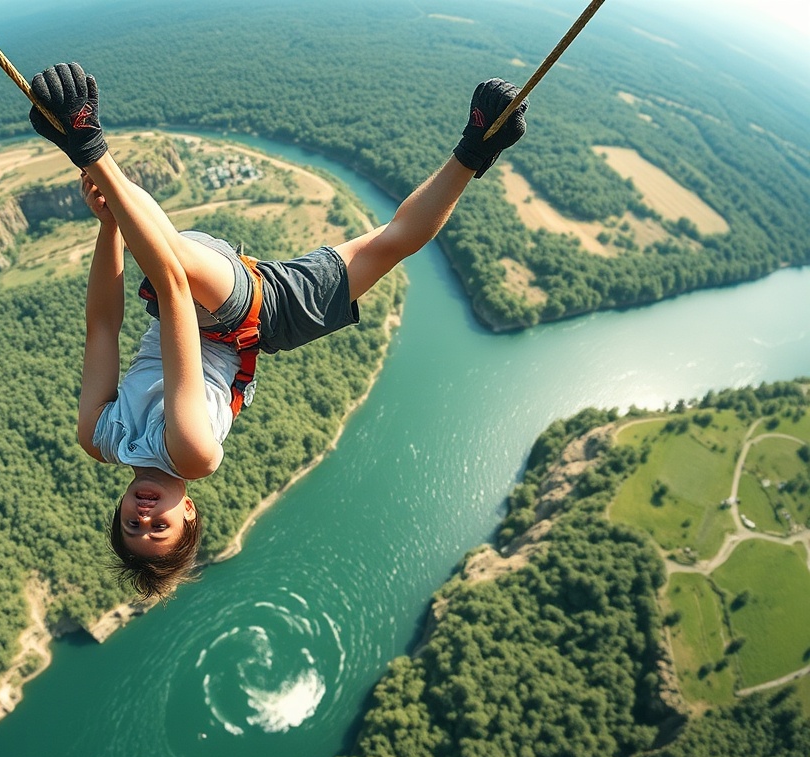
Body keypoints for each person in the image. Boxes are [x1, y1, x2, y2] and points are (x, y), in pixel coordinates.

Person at [28, 62, 528, 600]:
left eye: (132, 526)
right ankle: (475, 146)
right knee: (391, 243)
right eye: (160, 528)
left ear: (120, 511)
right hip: (244, 316)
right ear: (189, 512)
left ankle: (93, 149)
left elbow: (101, 328)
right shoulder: (194, 455)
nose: (145, 517)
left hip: (194, 292)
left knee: (167, 261)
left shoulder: (101, 438)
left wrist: (109, 229)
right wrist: (89, 153)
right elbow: (173, 286)